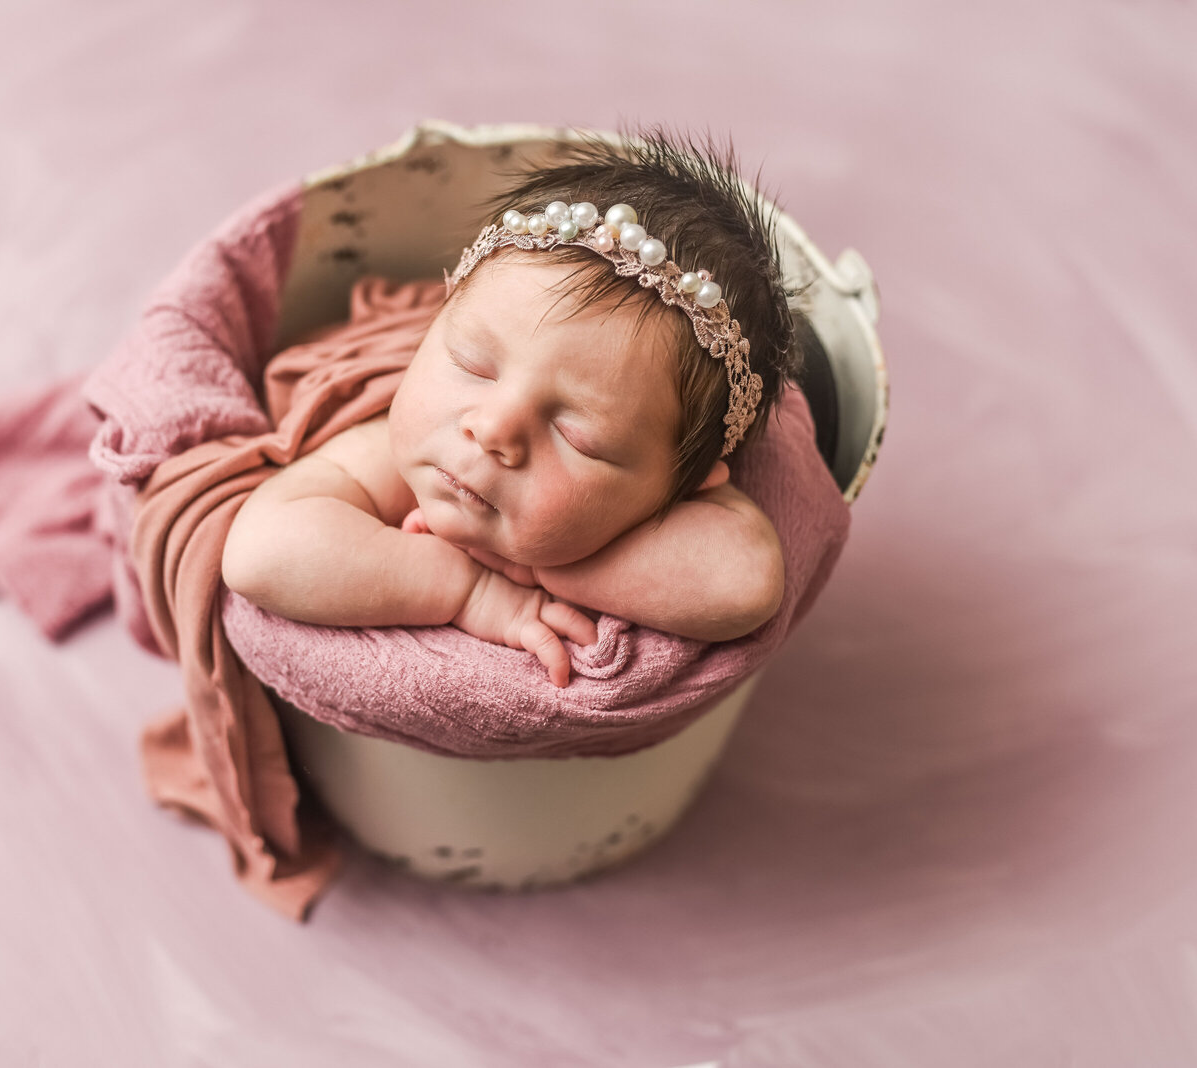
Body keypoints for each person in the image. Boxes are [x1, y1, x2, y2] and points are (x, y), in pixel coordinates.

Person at [221, 131, 800, 686]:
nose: (492, 428)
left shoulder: (658, 473)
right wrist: (470, 589)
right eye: (473, 364)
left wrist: (544, 565)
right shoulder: (396, 449)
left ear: (687, 483)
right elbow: (260, 553)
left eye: (576, 435)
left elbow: (744, 583)